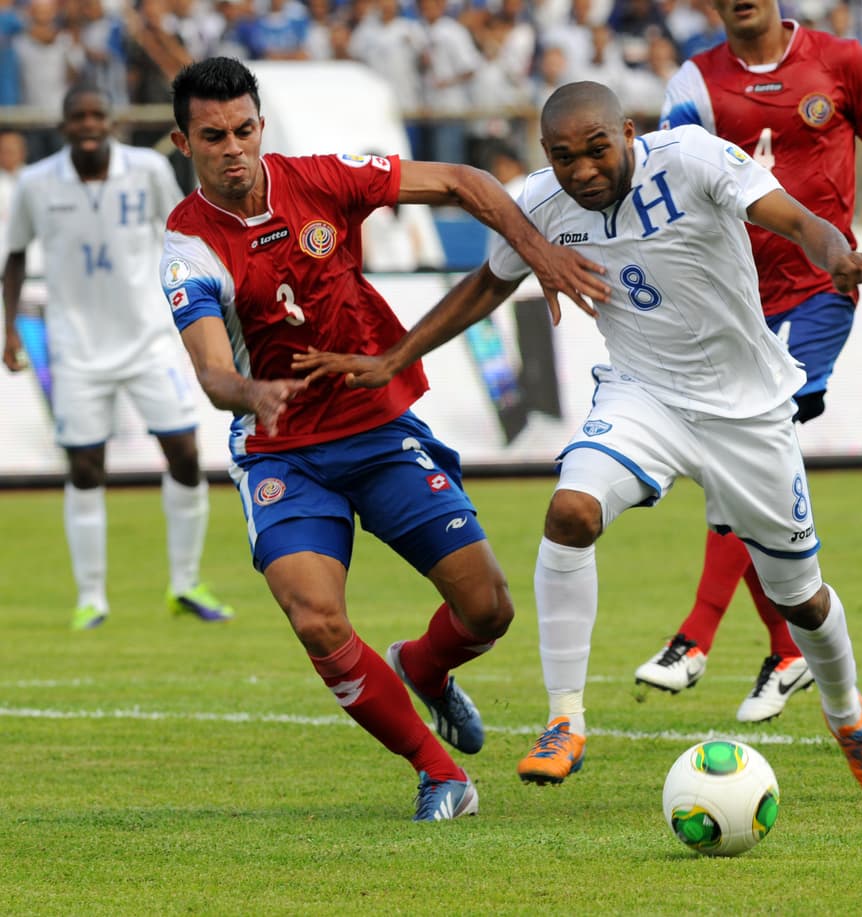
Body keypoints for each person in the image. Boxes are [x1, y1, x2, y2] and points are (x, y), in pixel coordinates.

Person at [295, 81, 862, 802]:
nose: (581, 169)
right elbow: (487, 285)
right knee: (571, 512)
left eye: (595, 150)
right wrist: (396, 357)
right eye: (562, 157)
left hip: (748, 409)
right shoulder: (542, 204)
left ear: (627, 131)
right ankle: (565, 719)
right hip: (642, 396)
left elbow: (802, 223)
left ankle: (848, 715)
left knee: (799, 596)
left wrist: (840, 257)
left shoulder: (692, 159)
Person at [160, 58, 607, 821]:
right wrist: (251, 391)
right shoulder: (187, 247)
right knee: (315, 616)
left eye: (243, 130)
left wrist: (540, 254)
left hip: (377, 425)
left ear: (261, 126)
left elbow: (467, 182)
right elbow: (209, 369)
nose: (232, 148)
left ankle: (426, 668)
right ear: (183, 142)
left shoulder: (326, 178)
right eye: (213, 136)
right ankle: (440, 774)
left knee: (488, 609)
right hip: (281, 451)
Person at [632, 0, 862, 723]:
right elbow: (671, 189)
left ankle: (695, 637)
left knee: (751, 443)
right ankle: (787, 649)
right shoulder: (695, 83)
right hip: (733, 304)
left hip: (821, 289)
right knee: (749, 465)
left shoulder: (843, 62)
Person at [2, 85, 234, 632]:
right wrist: (8, 325)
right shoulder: (37, 184)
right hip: (76, 348)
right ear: (62, 127)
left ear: (112, 122)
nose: (88, 124)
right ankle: (91, 598)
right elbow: (13, 256)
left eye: (96, 115)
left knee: (183, 451)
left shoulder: (148, 171)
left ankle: (185, 584)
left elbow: (185, 231)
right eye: (77, 116)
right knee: (85, 467)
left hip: (149, 338)